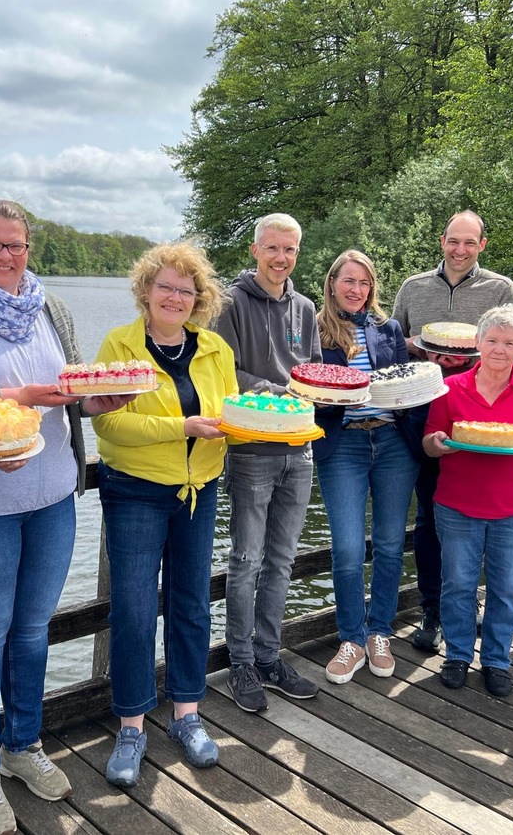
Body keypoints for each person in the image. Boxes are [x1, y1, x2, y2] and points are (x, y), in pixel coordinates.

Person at [0, 200, 128, 835]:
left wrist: (97, 400)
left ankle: (23, 745)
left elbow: (68, 396)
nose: (5, 255)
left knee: (33, 631)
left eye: (16, 245)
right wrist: (18, 402)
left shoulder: (50, 306)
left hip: (53, 495)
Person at [92, 242, 237, 788]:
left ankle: (186, 714)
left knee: (191, 602)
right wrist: (183, 428)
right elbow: (108, 426)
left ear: (199, 297)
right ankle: (131, 724)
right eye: (166, 286)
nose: (176, 297)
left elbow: (231, 413)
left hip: (199, 490)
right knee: (131, 608)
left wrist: (242, 427)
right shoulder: (120, 344)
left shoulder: (215, 349)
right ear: (146, 291)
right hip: (135, 490)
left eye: (186, 288)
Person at [392, 211, 513, 651]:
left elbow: (509, 350)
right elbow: (396, 347)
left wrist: (472, 362)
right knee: (428, 515)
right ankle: (432, 607)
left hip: (482, 416)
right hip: (424, 413)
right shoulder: (413, 287)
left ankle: (467, 605)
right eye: (453, 241)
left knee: (477, 513)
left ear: (482, 244)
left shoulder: (500, 289)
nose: (460, 250)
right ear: (441, 240)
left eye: (470, 242)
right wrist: (420, 351)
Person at [214, 212, 322, 712]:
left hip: (300, 449)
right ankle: (239, 662)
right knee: (246, 560)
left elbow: (315, 375)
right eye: (273, 248)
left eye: (291, 250)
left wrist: (321, 392)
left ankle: (267, 655)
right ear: (255, 250)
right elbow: (225, 374)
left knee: (282, 560)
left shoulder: (305, 307)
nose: (282, 258)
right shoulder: (229, 303)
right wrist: (280, 389)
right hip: (252, 452)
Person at [422, 305, 513, 697]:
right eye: (493, 340)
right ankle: (458, 654)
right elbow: (431, 443)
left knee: (508, 589)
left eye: (509, 342)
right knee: (458, 585)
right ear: (477, 342)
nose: (500, 349)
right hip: (457, 505)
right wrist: (439, 443)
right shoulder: (450, 388)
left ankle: (497, 660)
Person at [313, 251, 422, 683]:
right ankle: (351, 638)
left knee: (391, 543)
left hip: (393, 443)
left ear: (372, 288)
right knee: (347, 548)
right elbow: (309, 386)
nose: (356, 290)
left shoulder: (388, 328)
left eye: (364, 283)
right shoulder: (315, 329)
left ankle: (380, 631)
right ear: (333, 282)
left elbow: (401, 385)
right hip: (344, 446)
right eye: (348, 281)